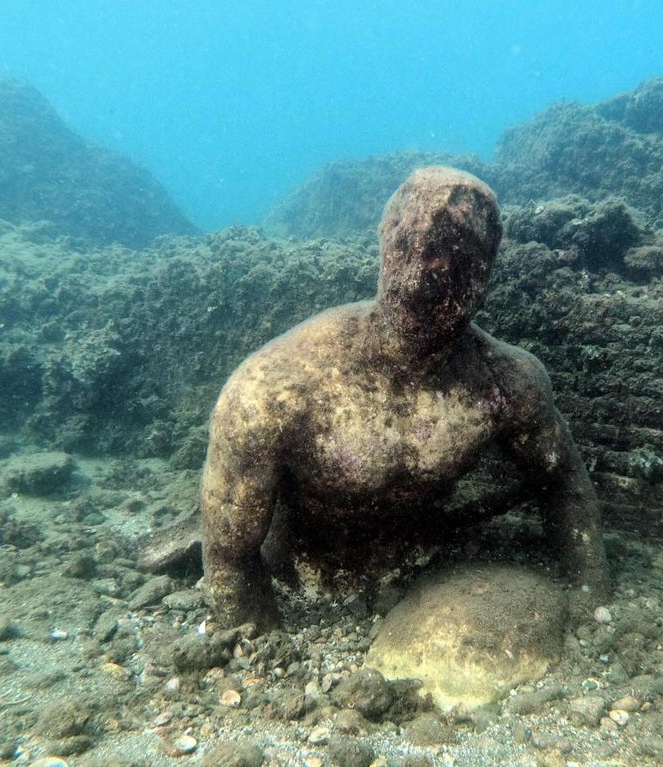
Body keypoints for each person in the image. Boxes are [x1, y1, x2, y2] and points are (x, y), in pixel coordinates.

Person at [201, 166, 612, 629]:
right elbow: (229, 554)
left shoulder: (506, 380)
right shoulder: (277, 386)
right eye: (403, 245)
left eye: (448, 255)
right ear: (383, 246)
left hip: (433, 572)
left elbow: (564, 483)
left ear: (484, 269)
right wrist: (260, 648)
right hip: (301, 578)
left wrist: (588, 593)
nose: (418, 278)